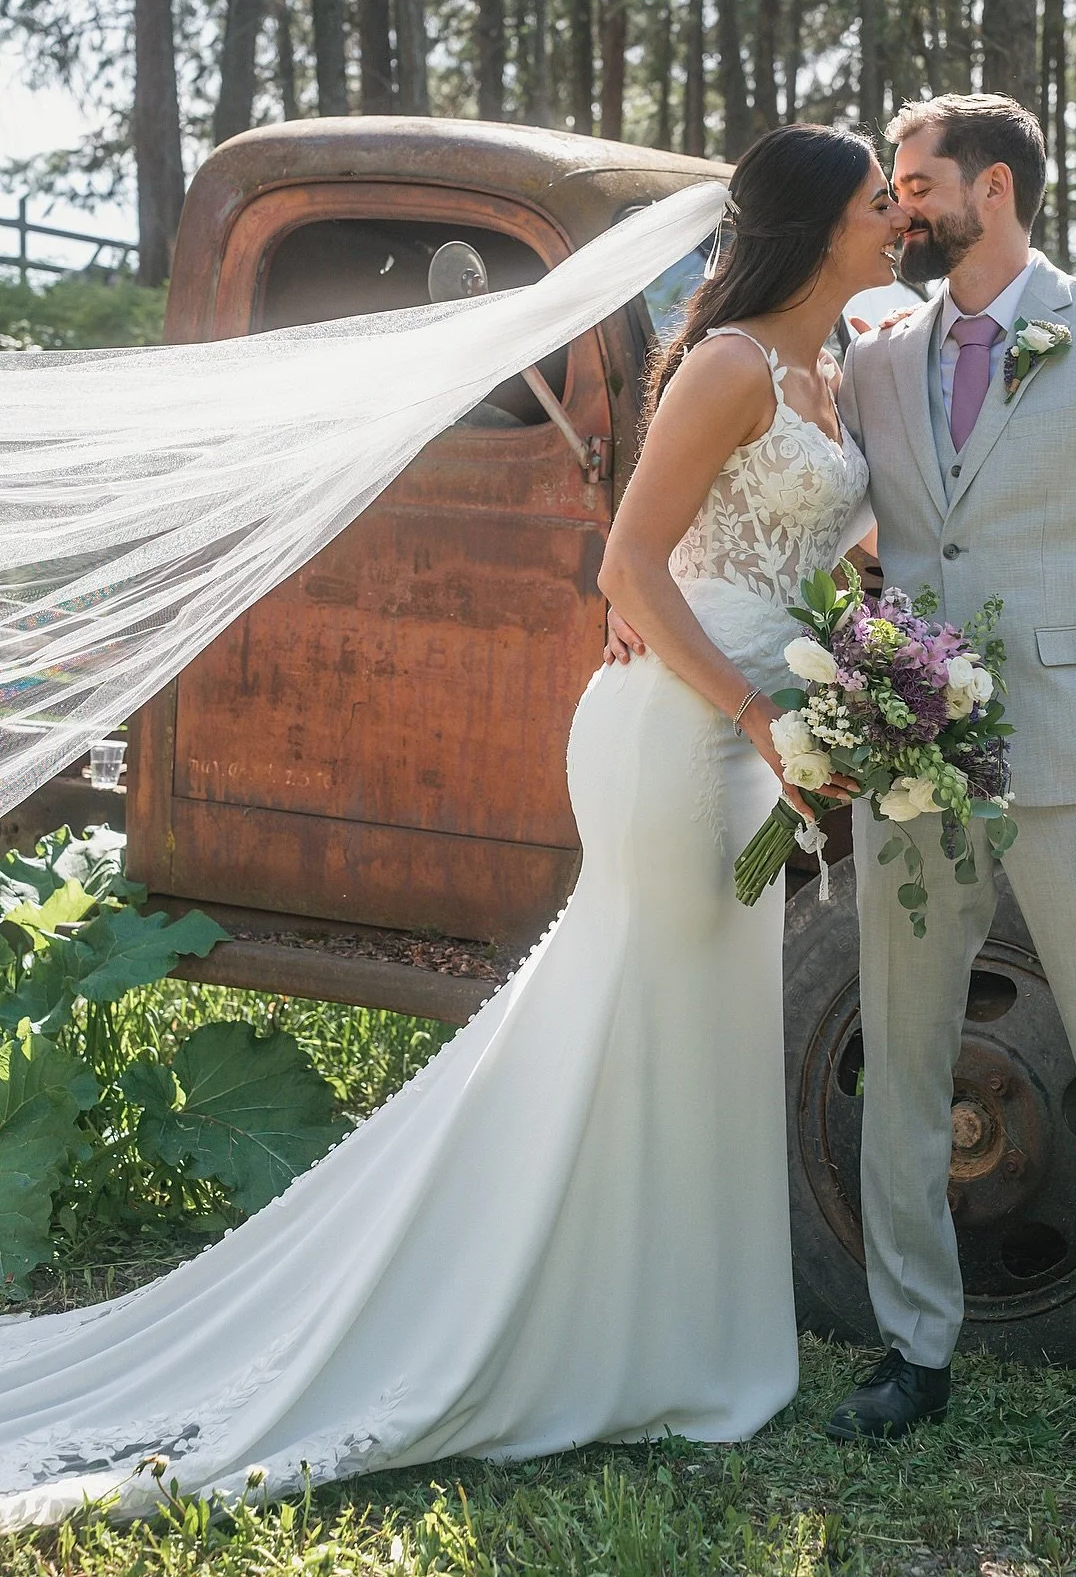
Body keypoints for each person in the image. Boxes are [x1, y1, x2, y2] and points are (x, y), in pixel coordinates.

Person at [0, 124, 903, 1530]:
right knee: (643, 1011)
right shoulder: (726, 367)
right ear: (814, 225)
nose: (893, 221)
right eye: (872, 206)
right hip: (679, 733)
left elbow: (815, 553)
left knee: (703, 1025)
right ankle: (564, 1329)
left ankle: (684, 1332)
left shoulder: (833, 377)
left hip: (769, 741)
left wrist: (869, 684)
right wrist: (752, 714)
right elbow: (628, 564)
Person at [830, 94, 1076, 1491]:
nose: (897, 207)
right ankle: (911, 1349)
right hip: (911, 766)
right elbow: (843, 527)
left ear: (995, 188)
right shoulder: (878, 355)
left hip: (1075, 760)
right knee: (904, 1059)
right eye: (889, 186)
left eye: (916, 184)